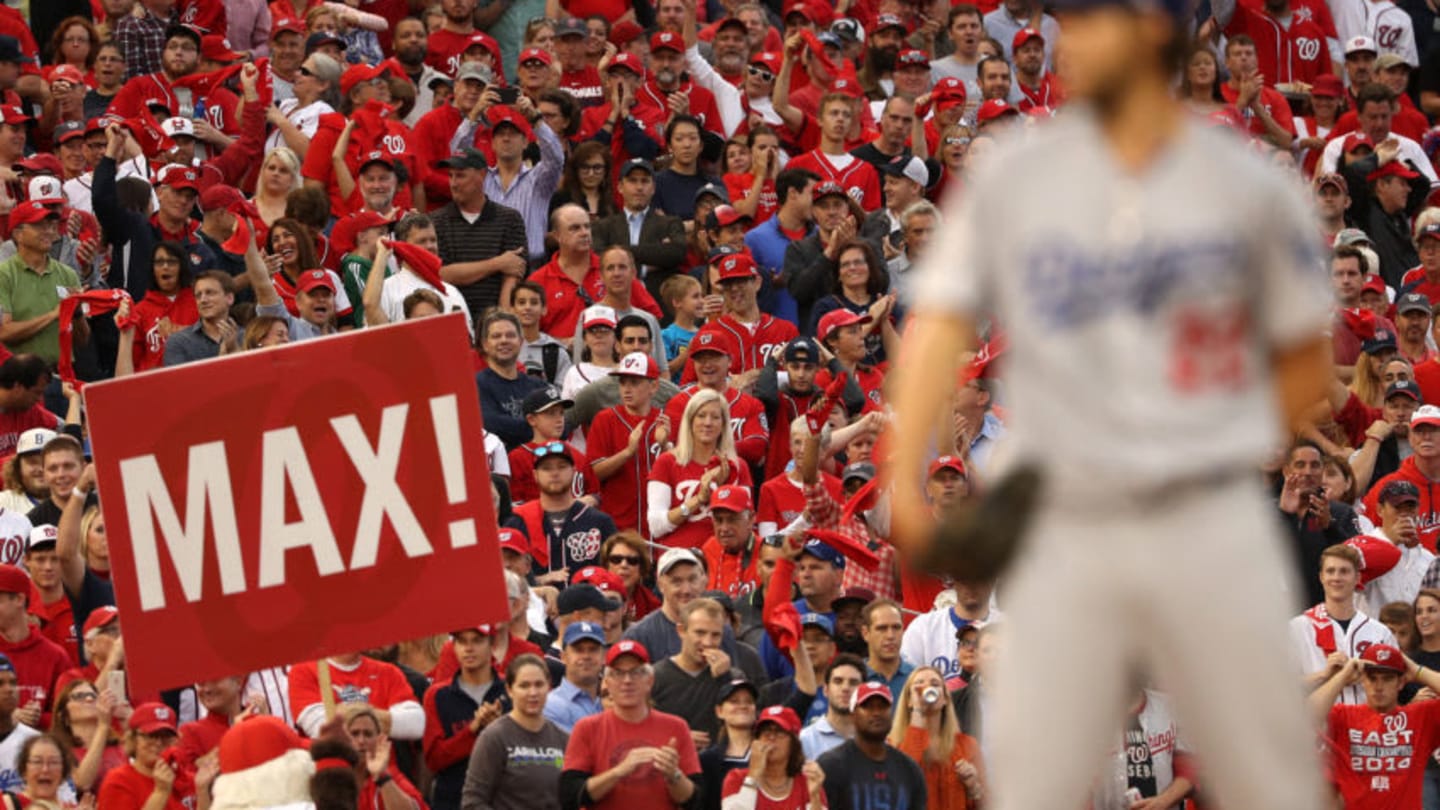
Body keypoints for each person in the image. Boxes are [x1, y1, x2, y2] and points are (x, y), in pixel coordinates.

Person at [558, 640, 701, 810]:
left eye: (636, 672)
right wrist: (619, 771)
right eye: (618, 673)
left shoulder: (676, 727)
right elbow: (571, 796)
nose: (627, 681)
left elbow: (695, 801)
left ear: (649, 681)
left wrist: (674, 775)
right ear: (607, 682)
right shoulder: (587, 728)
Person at [1312, 644, 1440, 807]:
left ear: (1401, 683)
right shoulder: (1342, 716)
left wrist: (1418, 671)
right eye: (1372, 678)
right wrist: (1343, 676)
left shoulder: (1420, 717)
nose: (1379, 687)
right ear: (1362, 680)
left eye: (1387, 679)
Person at [1290, 543, 1398, 703]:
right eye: (1330, 571)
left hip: (1368, 725)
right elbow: (1281, 687)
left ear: (1357, 578)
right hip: (1317, 724)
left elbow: (1396, 684)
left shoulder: (1380, 633)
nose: (1336, 577)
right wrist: (1325, 674)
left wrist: (1368, 676)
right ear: (1321, 577)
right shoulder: (1297, 628)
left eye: (1344, 571)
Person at [460, 653, 567, 810]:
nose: (533, 693)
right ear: (510, 690)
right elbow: (473, 801)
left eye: (539, 685)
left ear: (549, 687)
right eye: (524, 686)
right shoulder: (494, 737)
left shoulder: (563, 739)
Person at [425, 625, 509, 810]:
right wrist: (473, 729)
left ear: (492, 644)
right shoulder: (438, 695)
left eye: (477, 641)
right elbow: (434, 760)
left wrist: (498, 731)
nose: (468, 648)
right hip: (453, 800)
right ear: (453, 646)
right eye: (462, 641)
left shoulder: (511, 690)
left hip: (505, 799)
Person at [589, 352, 672, 535]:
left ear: (654, 386)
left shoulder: (666, 421)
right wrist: (627, 453)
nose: (626, 389)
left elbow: (682, 470)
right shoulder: (605, 420)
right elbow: (594, 473)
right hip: (617, 525)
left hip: (660, 528)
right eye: (623, 382)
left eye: (634, 383)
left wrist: (666, 446)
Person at [816, 683, 926, 809]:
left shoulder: (909, 769)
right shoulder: (831, 765)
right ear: (853, 715)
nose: (876, 713)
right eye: (867, 706)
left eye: (882, 706)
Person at [890, 666, 985, 809]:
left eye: (935, 684)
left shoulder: (967, 745)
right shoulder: (893, 745)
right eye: (919, 684)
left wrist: (973, 787)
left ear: (946, 698)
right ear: (908, 700)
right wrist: (917, 712)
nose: (927, 688)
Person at [652, 597, 738, 748]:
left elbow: (742, 723)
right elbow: (639, 728)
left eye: (715, 635)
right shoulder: (655, 676)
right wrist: (678, 738)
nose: (708, 642)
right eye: (700, 633)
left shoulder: (732, 676)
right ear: (681, 631)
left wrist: (726, 679)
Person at [719, 706, 825, 810]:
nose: (771, 737)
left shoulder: (806, 781)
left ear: (794, 742)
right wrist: (753, 777)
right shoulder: (737, 778)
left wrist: (815, 796)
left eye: (779, 732)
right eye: (765, 732)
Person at [477, 311, 550, 451]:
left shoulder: (539, 386)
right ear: (485, 344)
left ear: (521, 342)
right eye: (496, 336)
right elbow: (491, 424)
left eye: (510, 335)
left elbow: (560, 425)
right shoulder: (477, 384)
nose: (504, 340)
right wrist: (541, 426)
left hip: (542, 464)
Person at [97, 702, 189, 810]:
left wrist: (202, 792)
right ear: (134, 739)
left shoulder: (187, 779)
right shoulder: (119, 781)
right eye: (150, 735)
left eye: (166, 736)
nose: (158, 743)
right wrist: (160, 793)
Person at [797, 653, 865, 760]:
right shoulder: (805, 740)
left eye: (853, 682)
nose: (845, 688)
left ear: (864, 692)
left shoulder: (876, 741)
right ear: (825, 690)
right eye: (838, 681)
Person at [543, 622, 605, 733]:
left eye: (593, 649)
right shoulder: (550, 705)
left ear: (604, 657)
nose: (586, 656)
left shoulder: (613, 701)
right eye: (579, 650)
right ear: (563, 657)